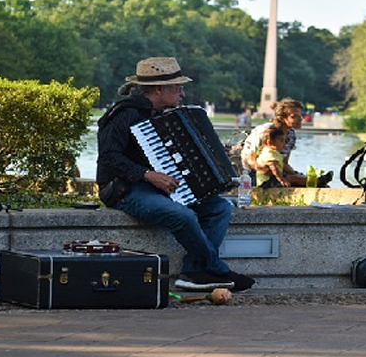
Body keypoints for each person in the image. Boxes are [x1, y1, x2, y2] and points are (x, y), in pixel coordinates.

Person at [96, 57, 255, 292]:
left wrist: (213, 154)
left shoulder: (168, 114)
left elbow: (180, 156)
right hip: (125, 189)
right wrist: (147, 175)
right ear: (159, 89)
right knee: (183, 215)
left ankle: (193, 272)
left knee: (219, 208)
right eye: (178, 88)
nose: (182, 94)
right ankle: (216, 269)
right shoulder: (125, 114)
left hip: (159, 187)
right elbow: (109, 156)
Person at [241, 97, 333, 187]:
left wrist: (296, 174)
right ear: (281, 118)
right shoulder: (267, 131)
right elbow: (249, 159)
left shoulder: (291, 135)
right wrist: (261, 168)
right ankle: (318, 181)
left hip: (278, 171)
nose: (300, 119)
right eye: (294, 116)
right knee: (292, 179)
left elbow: (284, 163)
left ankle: (317, 181)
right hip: (255, 173)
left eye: (300, 115)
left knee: (300, 179)